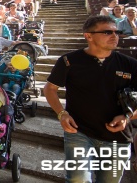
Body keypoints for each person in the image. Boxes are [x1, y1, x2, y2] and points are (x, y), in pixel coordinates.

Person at [44, 15, 137, 182]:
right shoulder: (68, 61)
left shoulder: (130, 64)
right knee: (77, 179)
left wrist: (127, 116)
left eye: (117, 32)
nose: (114, 36)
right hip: (79, 132)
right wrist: (62, 113)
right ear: (88, 35)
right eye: (107, 32)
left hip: (119, 138)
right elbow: (50, 89)